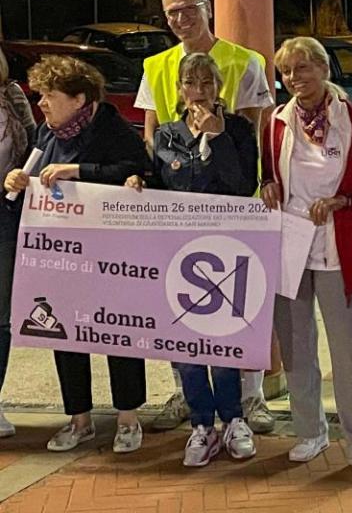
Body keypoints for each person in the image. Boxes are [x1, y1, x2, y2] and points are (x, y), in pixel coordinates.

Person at [136, 0, 276, 434]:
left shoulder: (245, 62)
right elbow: (150, 134)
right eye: (171, 11)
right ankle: (186, 391)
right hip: (178, 210)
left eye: (188, 8)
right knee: (181, 303)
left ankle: (251, 399)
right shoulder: (155, 65)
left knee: (239, 304)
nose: (180, 18)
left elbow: (253, 136)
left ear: (207, 7)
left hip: (234, 207)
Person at [3, 55, 148, 453]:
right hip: (62, 257)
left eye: (49, 95)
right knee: (64, 331)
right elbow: (31, 187)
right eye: (39, 96)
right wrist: (18, 180)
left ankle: (128, 418)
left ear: (79, 98)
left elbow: (137, 169)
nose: (42, 104)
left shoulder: (109, 125)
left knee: (118, 333)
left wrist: (79, 171)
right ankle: (79, 418)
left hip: (109, 255)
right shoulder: (47, 135)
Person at [262, 37, 352, 481]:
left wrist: (341, 200)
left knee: (350, 349)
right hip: (290, 243)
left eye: (303, 68)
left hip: (342, 249)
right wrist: (268, 186)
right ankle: (310, 431)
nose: (295, 79)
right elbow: (269, 174)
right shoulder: (276, 123)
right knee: (296, 345)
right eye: (286, 72)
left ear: (323, 68)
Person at [125, 53, 258, 467]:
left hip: (225, 251)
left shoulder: (238, 129)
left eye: (206, 83)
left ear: (218, 86)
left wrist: (216, 139)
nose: (198, 92)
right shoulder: (165, 135)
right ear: (180, 89)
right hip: (177, 253)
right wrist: (138, 179)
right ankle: (202, 424)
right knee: (186, 343)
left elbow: (241, 185)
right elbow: (164, 181)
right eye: (190, 84)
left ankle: (234, 419)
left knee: (221, 340)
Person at [0, 47, 37, 438]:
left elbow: (33, 154)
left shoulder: (12, 96)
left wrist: (20, 178)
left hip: (6, 215)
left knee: (0, 317)